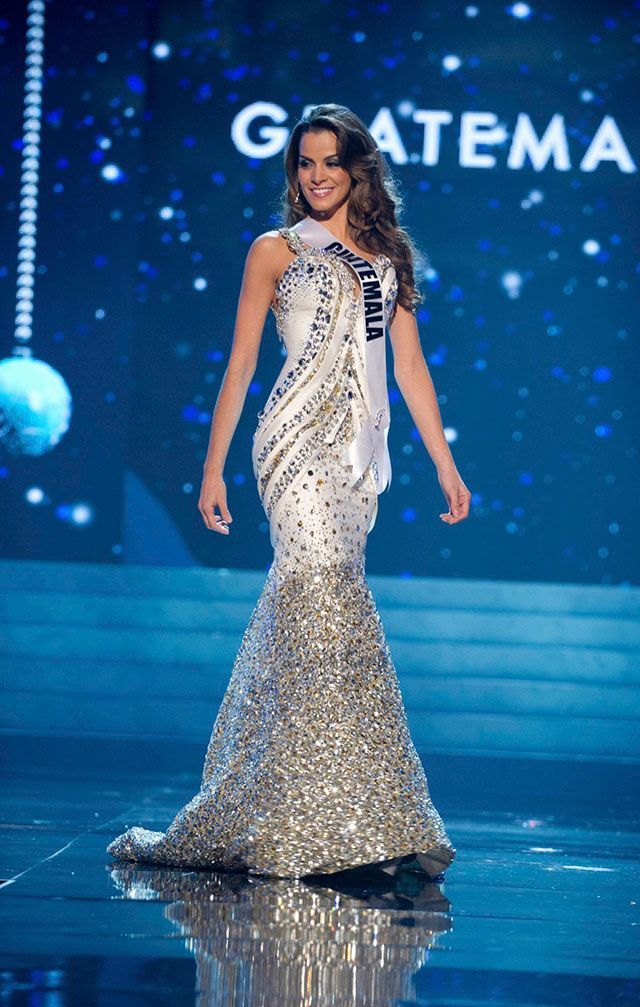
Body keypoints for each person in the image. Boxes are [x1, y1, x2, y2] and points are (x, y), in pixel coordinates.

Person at [107, 103, 471, 880]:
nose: (316, 177)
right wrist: (212, 467)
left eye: (330, 163)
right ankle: (319, 812)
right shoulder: (275, 250)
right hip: (293, 443)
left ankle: (343, 804)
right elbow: (240, 365)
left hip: (356, 452)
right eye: (304, 164)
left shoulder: (387, 257)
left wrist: (444, 461)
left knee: (324, 607)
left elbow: (409, 368)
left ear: (357, 170)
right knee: (323, 595)